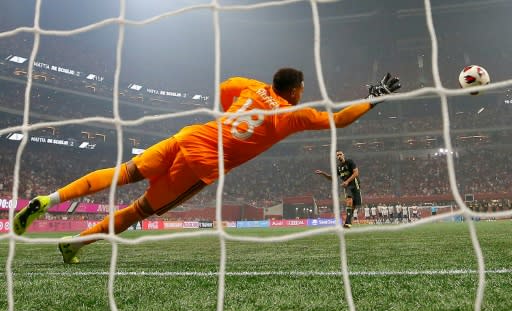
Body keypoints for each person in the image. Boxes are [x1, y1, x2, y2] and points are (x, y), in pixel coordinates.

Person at [13, 68, 400, 263]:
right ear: (296, 91)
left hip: (188, 136)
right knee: (138, 210)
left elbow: (224, 88)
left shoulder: (249, 87)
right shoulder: (292, 114)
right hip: (201, 164)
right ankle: (75, 244)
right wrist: (373, 99)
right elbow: (339, 120)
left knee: (123, 174)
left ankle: (49, 198)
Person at [314, 150, 362, 228]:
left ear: (343, 155)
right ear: (336, 157)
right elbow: (331, 178)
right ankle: (348, 223)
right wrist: (323, 173)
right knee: (349, 201)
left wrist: (347, 181)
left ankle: (348, 221)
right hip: (347, 186)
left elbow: (356, 173)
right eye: (337, 155)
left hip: (355, 184)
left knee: (355, 205)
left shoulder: (350, 162)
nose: (339, 156)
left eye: (340, 154)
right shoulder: (339, 167)